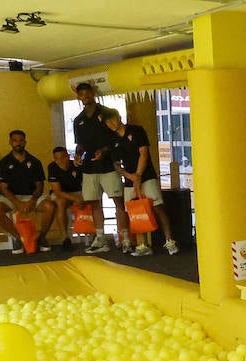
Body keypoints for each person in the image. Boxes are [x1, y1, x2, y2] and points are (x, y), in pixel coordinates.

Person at [103, 110, 177, 256]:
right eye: (108, 122)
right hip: (129, 180)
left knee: (157, 207)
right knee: (134, 212)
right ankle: (142, 244)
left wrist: (138, 175)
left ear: (119, 118)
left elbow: (144, 153)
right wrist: (130, 176)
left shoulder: (136, 130)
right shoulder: (112, 140)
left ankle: (169, 240)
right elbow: (117, 165)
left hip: (147, 175)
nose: (111, 124)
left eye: (113, 120)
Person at [72, 81, 128, 253]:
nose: (85, 96)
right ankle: (100, 238)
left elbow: (118, 137)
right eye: (82, 94)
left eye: (88, 93)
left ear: (93, 93)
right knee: (94, 203)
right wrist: (77, 155)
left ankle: (125, 238)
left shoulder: (109, 112)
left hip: (109, 165)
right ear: (79, 97)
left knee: (119, 202)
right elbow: (80, 144)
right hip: (89, 167)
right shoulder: (78, 120)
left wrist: (104, 151)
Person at [0, 130, 55, 254]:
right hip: (11, 197)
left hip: (31, 196)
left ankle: (41, 238)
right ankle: (18, 238)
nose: (18, 143)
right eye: (15, 140)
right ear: (10, 142)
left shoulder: (35, 162)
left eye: (21, 140)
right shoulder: (4, 162)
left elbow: (39, 186)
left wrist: (32, 200)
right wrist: (17, 203)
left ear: (25, 142)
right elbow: (3, 187)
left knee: (50, 206)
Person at [47, 146, 84, 249]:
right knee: (61, 201)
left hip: (77, 191)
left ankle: (95, 233)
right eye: (57, 158)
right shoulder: (52, 167)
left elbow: (85, 184)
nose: (60, 161)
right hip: (60, 194)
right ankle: (65, 237)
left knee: (91, 200)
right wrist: (75, 199)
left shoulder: (76, 165)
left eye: (63, 157)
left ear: (68, 156)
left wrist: (81, 198)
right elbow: (57, 191)